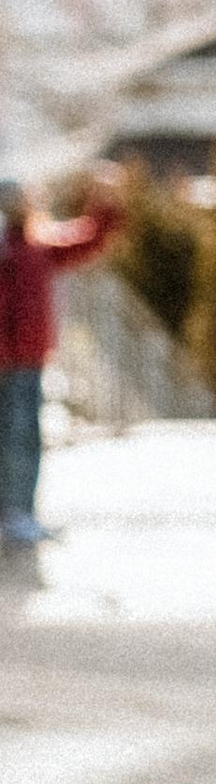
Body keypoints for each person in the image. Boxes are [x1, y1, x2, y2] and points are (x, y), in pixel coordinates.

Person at [0, 169, 123, 548]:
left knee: (26, 437)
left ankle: (19, 512)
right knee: (15, 437)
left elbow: (84, 241)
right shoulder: (8, 249)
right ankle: (13, 513)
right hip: (10, 358)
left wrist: (105, 206)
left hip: (30, 357)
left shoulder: (37, 245)